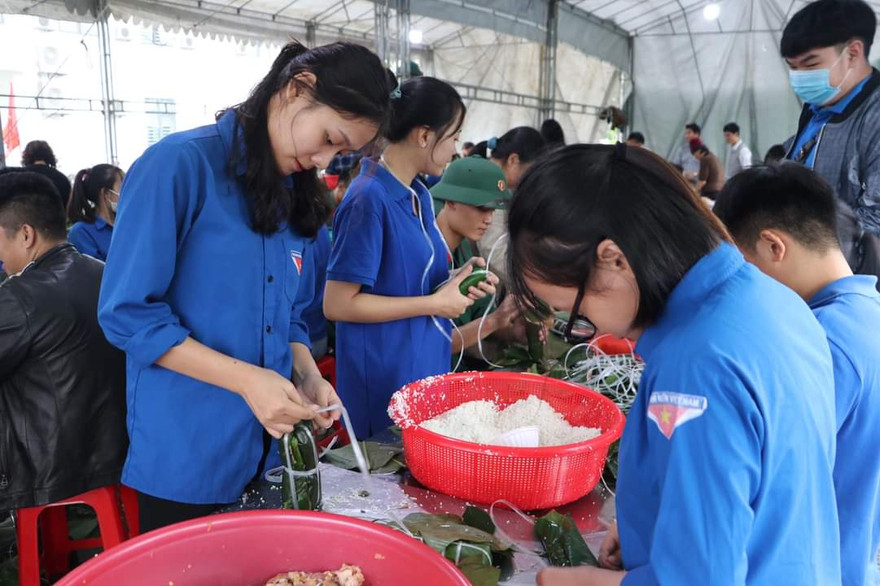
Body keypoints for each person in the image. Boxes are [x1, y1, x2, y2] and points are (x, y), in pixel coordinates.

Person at [511, 144, 840, 586]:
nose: (584, 328)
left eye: (573, 313)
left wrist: (584, 581)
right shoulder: (772, 299)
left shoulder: (696, 370)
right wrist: (656, 526)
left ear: (615, 260)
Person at [98, 41, 394, 532]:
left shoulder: (294, 195)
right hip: (187, 454)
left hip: (266, 454)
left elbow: (290, 316)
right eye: (328, 137)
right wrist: (247, 381)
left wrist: (307, 374)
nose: (323, 159)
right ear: (298, 88)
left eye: (341, 153)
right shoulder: (178, 166)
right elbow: (127, 314)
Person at [714, 164, 880, 586]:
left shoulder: (824, 342)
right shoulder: (866, 312)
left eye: (741, 267)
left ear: (773, 246)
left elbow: (764, 473)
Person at [324, 76, 495, 438]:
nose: (454, 149)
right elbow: (338, 305)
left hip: (419, 369)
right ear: (423, 136)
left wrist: (456, 281)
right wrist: (433, 302)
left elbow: (406, 283)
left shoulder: (415, 193)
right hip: (385, 381)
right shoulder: (369, 198)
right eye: (452, 137)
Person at [0, 171, 126, 512]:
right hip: (120, 449)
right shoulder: (105, 272)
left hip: (54, 466)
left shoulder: (19, 297)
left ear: (25, 234)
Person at [782, 0, 880, 239]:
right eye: (792, 67)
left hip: (851, 269)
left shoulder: (874, 118)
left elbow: (876, 218)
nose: (799, 78)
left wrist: (805, 238)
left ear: (853, 53)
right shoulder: (817, 109)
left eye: (811, 64)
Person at [431, 155, 520, 355]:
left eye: (493, 210)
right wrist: (494, 321)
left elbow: (478, 322)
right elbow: (429, 346)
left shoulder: (467, 255)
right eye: (481, 208)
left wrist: (513, 329)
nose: (489, 219)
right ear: (450, 200)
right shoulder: (422, 257)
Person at [481, 127, 547, 283]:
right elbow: (493, 249)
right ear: (513, 160)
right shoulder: (490, 184)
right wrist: (536, 282)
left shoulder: (499, 185)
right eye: (529, 172)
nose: (529, 180)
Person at [67, 164, 124, 262]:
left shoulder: (125, 223)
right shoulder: (81, 232)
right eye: (122, 189)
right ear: (106, 194)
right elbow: (96, 272)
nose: (127, 194)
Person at [20, 140, 71, 209]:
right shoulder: (62, 179)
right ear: (49, 155)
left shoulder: (19, 176)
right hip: (56, 218)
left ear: (26, 156)